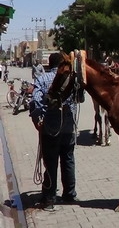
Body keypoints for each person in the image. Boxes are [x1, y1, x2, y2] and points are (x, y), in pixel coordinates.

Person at [29, 53, 78, 211]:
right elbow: (80, 97)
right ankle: (69, 194)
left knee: (51, 162)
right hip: (69, 127)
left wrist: (39, 117)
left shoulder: (42, 79)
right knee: (68, 159)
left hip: (50, 128)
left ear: (49, 64)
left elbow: (35, 101)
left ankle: (50, 198)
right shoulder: (71, 78)